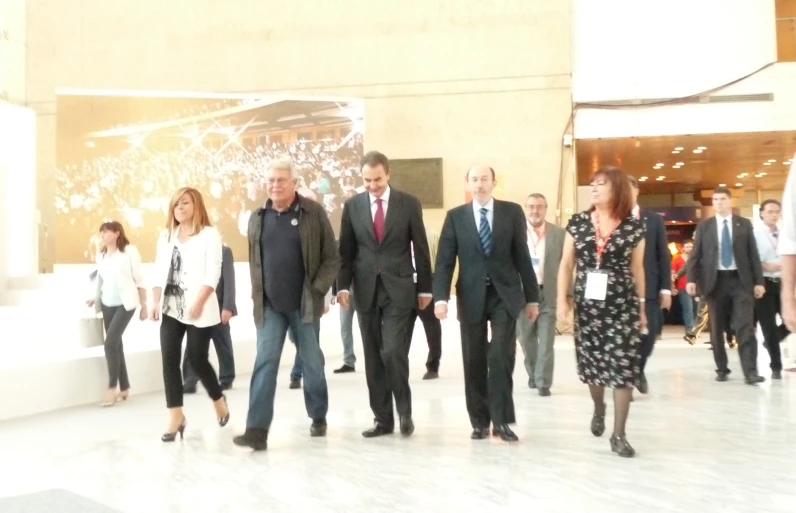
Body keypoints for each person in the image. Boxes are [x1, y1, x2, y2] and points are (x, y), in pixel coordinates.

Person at [234, 158, 339, 451]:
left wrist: (318, 290)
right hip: (269, 306)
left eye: (281, 180)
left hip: (304, 305)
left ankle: (318, 415)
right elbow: (256, 262)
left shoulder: (312, 213)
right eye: (270, 180)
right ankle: (256, 430)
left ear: (294, 183)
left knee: (313, 363)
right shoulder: (258, 217)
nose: (275, 185)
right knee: (265, 362)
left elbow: (332, 257)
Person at [434, 166, 539, 442]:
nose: (479, 185)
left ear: (494, 182)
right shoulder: (455, 217)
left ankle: (502, 421)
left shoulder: (512, 212)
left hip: (505, 295)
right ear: (467, 184)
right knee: (474, 358)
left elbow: (522, 256)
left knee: (501, 356)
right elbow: (445, 260)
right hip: (470, 295)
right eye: (474, 180)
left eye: (484, 179)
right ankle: (479, 421)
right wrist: (441, 298)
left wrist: (532, 298)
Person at [337, 151, 433, 438]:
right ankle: (383, 420)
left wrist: (425, 287)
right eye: (367, 180)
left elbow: (421, 248)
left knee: (392, 352)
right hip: (365, 290)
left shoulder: (408, 204)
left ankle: (404, 411)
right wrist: (342, 286)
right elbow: (346, 253)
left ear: (388, 174)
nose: (372, 185)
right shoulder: (352, 206)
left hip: (399, 289)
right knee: (373, 358)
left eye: (377, 179)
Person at [556, 166, 647, 458]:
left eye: (601, 184)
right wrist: (561, 300)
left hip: (623, 306)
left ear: (617, 189)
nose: (594, 189)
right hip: (588, 307)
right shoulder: (579, 223)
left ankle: (619, 434)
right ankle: (599, 407)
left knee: (623, 370)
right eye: (592, 184)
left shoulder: (634, 227)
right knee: (594, 369)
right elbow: (566, 264)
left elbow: (637, 269)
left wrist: (643, 306)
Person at [150, 187, 230, 442]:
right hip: (171, 307)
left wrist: (199, 301)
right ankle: (176, 415)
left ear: (197, 205)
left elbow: (213, 274)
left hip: (199, 307)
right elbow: (158, 269)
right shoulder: (166, 236)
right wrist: (154, 301)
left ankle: (218, 398)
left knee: (197, 359)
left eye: (185, 203)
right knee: (169, 360)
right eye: (176, 204)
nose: (180, 208)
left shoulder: (209, 235)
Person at [686, 186, 765, 384]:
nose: (719, 202)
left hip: (740, 280)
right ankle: (721, 368)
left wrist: (759, 282)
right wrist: (691, 280)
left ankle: (751, 371)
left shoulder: (744, 224)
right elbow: (695, 256)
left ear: (730, 201)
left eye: (722, 199)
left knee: (745, 326)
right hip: (715, 281)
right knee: (717, 327)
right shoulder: (705, 226)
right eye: (715, 199)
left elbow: (753, 255)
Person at [87, 221, 147, 407]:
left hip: (125, 304)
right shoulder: (101, 256)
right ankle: (125, 387)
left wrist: (144, 305)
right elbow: (100, 280)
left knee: (110, 342)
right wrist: (95, 298)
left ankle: (112, 387)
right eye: (102, 233)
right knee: (116, 344)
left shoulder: (129, 252)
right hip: (106, 304)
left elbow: (139, 279)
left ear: (117, 233)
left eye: (106, 232)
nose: (103, 236)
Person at [515, 193, 567, 396]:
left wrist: (567, 293)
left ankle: (543, 382)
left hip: (549, 292)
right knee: (526, 339)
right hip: (523, 294)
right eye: (530, 207)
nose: (535, 211)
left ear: (545, 208)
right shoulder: (515, 232)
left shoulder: (559, 234)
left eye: (539, 207)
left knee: (546, 340)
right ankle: (533, 373)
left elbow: (567, 265)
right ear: (525, 209)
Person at [628, 176, 672, 395]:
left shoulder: (653, 220)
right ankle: (627, 379)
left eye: (630, 188)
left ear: (637, 191)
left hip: (651, 287)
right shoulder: (613, 218)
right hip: (623, 288)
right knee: (626, 335)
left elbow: (663, 255)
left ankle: (638, 369)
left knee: (650, 332)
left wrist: (666, 287)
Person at [182, 243, 237, 393]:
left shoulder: (224, 251)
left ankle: (226, 378)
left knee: (223, 344)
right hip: (198, 308)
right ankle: (190, 380)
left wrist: (228, 307)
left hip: (218, 307)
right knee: (193, 345)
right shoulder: (192, 250)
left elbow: (229, 281)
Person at [754, 199, 788, 379]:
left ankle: (771, 341)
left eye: (777, 211)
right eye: (770, 211)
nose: (774, 215)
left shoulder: (785, 233)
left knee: (791, 319)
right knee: (767, 325)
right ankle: (776, 366)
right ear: (762, 213)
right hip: (764, 283)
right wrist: (764, 266)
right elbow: (750, 260)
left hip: (782, 282)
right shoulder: (755, 234)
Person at [407, 229, 443, 380]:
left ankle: (433, 366)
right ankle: (398, 364)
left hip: (425, 288)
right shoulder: (396, 238)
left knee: (432, 329)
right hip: (405, 290)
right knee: (402, 331)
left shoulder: (428, 238)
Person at [673, 241, 697, 340]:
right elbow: (673, 273)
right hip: (683, 287)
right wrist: (672, 286)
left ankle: (696, 329)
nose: (689, 249)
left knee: (698, 309)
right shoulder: (676, 259)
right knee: (688, 309)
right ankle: (689, 330)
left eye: (691, 247)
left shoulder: (696, 258)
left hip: (697, 287)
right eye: (687, 247)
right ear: (682, 248)